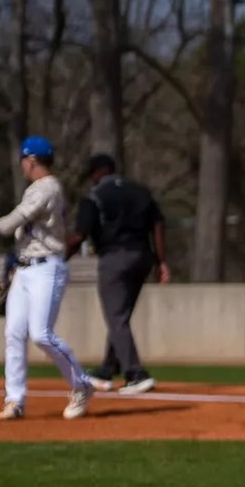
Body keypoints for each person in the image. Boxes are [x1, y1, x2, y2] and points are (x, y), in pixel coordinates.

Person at [0, 136, 94, 420]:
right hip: (24, 268)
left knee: (41, 334)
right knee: (14, 334)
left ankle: (82, 384)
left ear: (32, 160)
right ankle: (15, 400)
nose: (22, 165)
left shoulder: (48, 187)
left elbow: (8, 225)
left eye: (24, 160)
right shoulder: (36, 189)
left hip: (46, 267)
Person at [67, 154, 170, 395]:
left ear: (96, 173)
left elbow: (79, 236)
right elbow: (158, 224)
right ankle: (108, 367)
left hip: (115, 258)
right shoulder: (141, 191)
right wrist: (161, 261)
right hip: (142, 256)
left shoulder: (94, 196)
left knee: (116, 318)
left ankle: (136, 373)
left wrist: (58, 259)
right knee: (121, 316)